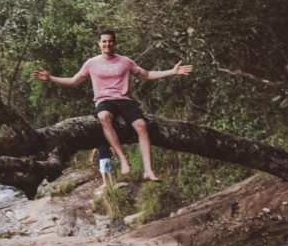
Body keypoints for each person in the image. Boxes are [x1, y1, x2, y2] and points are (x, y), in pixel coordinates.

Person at [33, 29, 193, 183]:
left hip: (124, 100)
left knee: (142, 125)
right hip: (104, 100)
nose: (107, 44)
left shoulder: (125, 61)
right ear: (99, 43)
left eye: (110, 42)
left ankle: (148, 171)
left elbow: (147, 74)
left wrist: (172, 71)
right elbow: (74, 81)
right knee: (104, 117)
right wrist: (50, 78)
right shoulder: (92, 63)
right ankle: (123, 160)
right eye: (104, 42)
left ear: (114, 43)